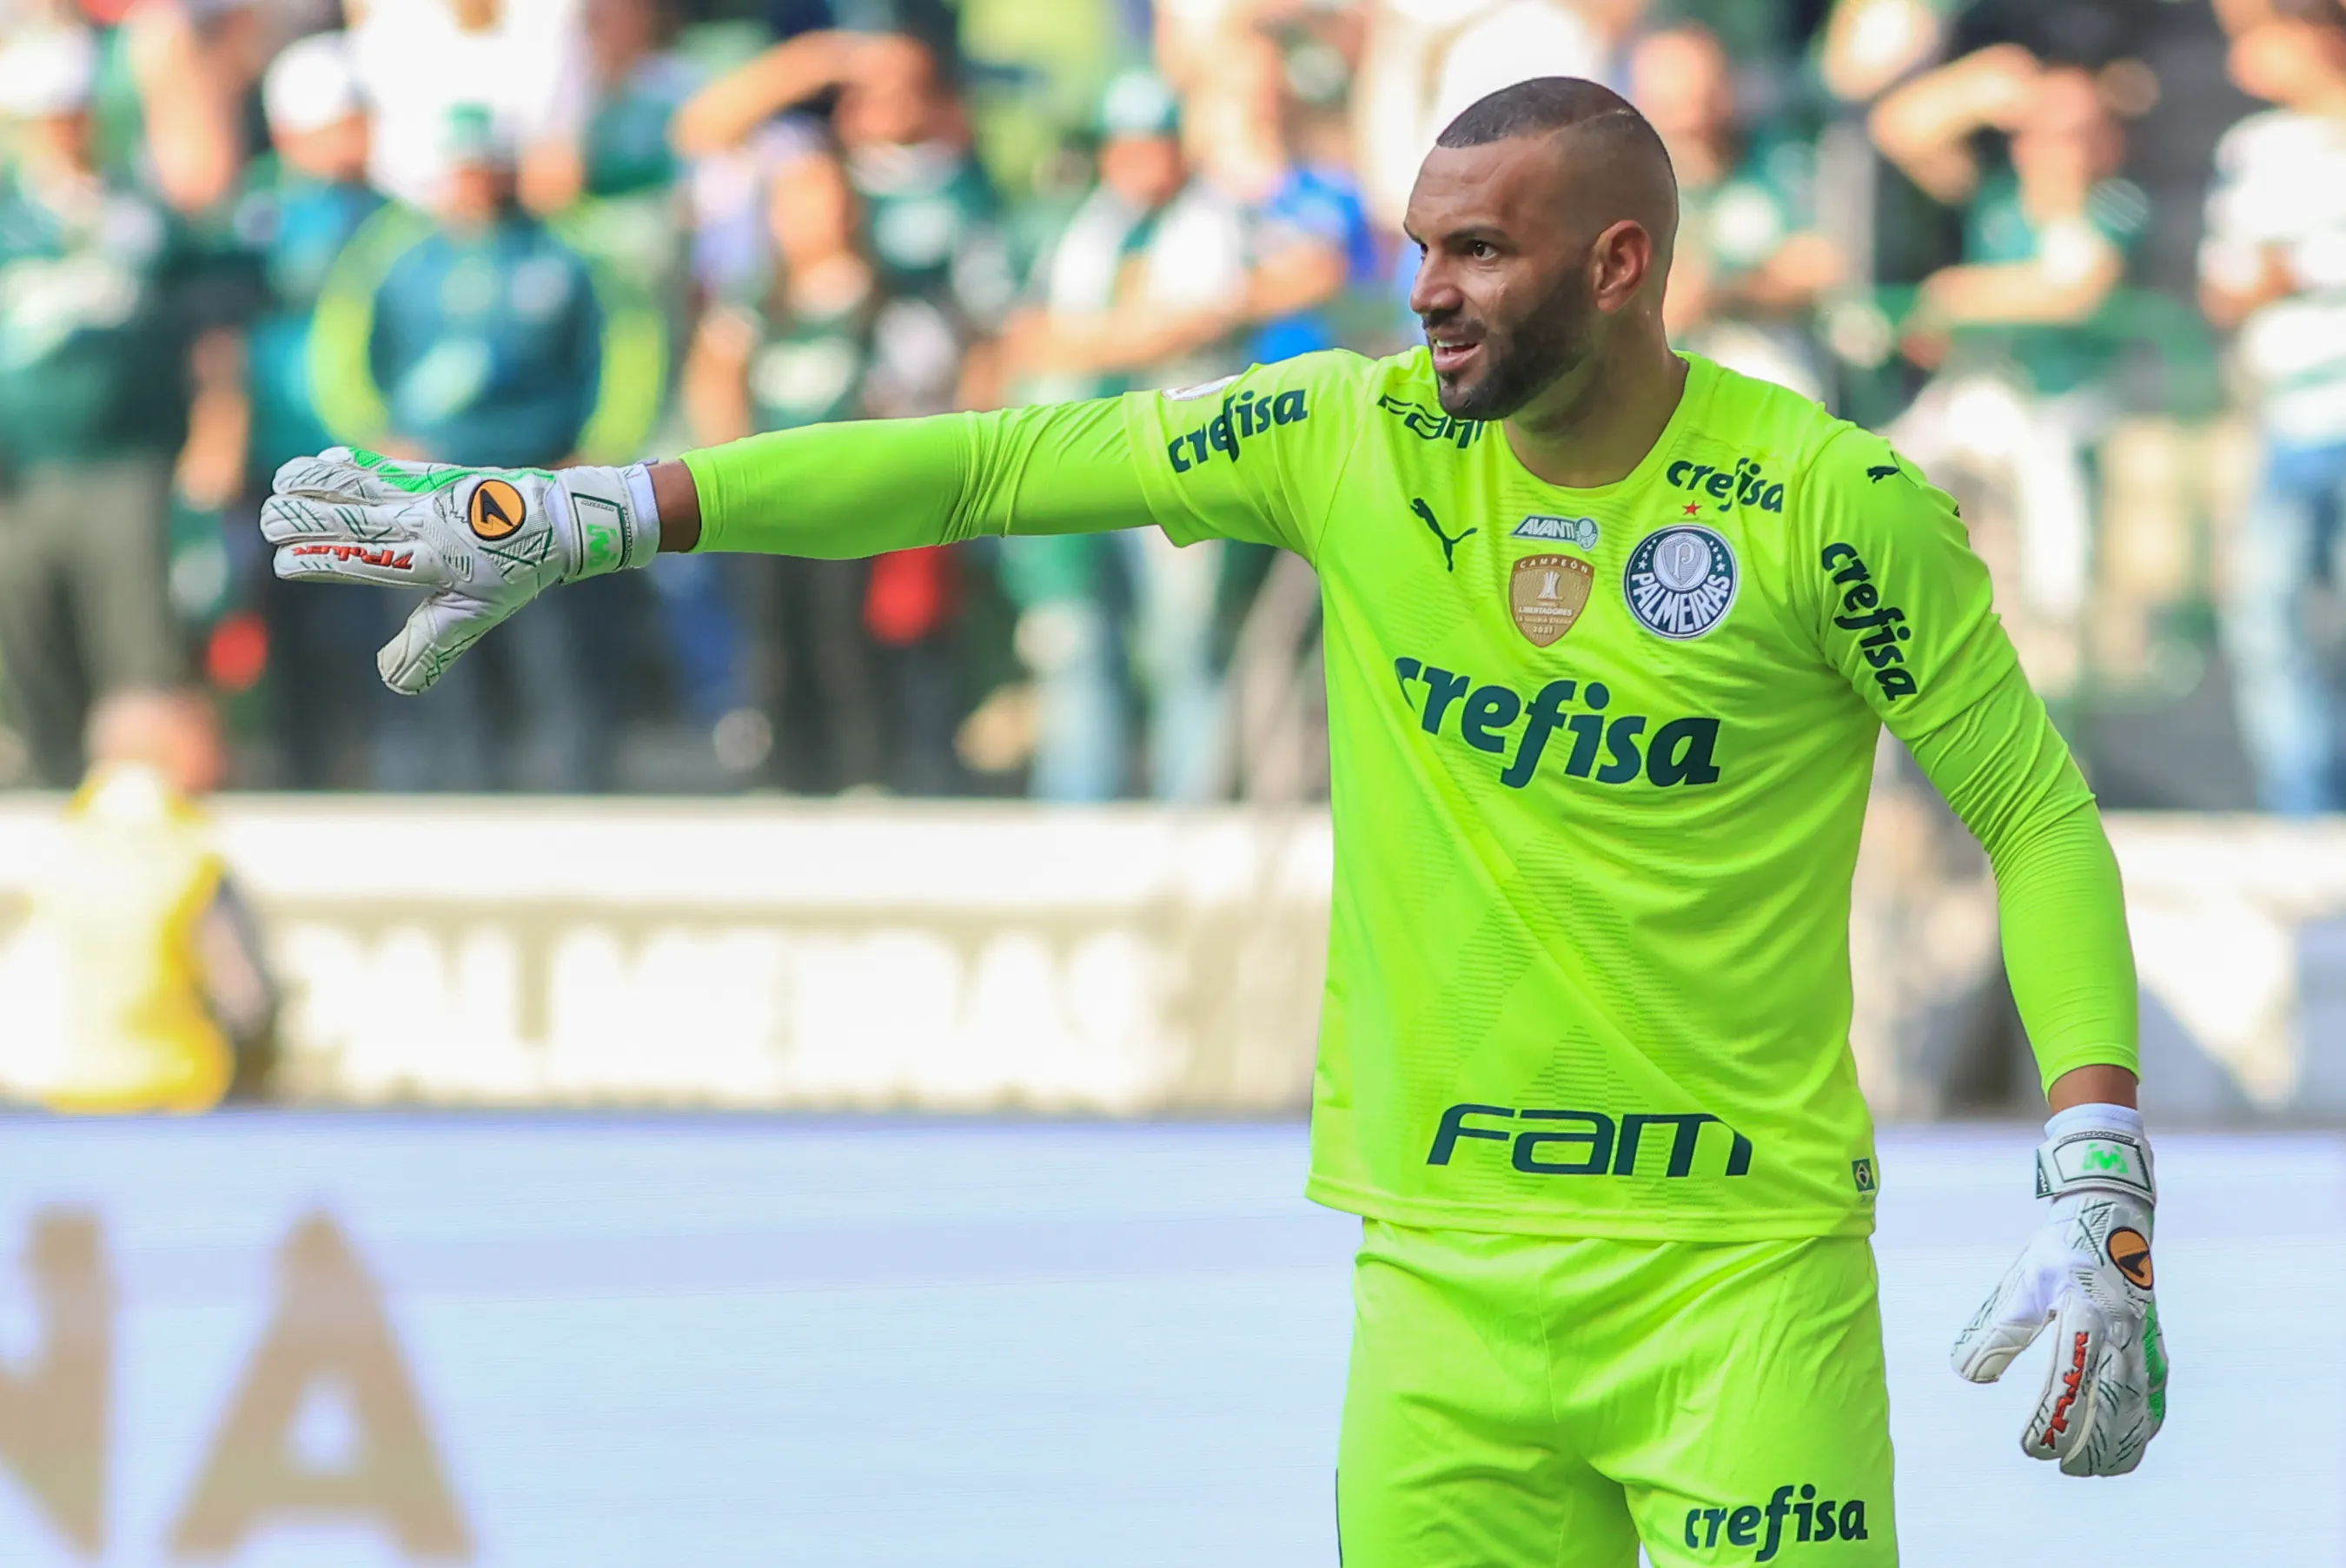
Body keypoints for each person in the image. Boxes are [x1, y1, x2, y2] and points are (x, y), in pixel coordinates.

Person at [263, 76, 2165, 1562]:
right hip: (1438, 1282)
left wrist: (2100, 1180)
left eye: (1483, 251)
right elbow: (999, 459)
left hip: (1739, 1275)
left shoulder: (1833, 502)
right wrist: (600, 509)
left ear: (1621, 263)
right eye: (1424, 246)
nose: (1427, 288)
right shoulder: (1350, 437)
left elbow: (2039, 813)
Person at [308, 102, 661, 791]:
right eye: (462, 167)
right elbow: (341, 351)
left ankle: (574, 787)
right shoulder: (397, 253)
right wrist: (375, 439)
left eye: (486, 166)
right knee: (432, 641)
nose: (474, 181)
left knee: (552, 644)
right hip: (431, 485)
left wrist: (599, 450)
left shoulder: (563, 250)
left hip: (538, 478)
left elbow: (624, 346)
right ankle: (442, 787)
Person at [997, 68, 1249, 801]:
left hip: (1180, 457)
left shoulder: (1219, 220)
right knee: (1072, 642)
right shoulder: (1078, 226)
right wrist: (1124, 335)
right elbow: (1026, 335)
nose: (1139, 162)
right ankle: (1078, 815)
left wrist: (1093, 339)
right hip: (1079, 451)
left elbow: (1188, 321)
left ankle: (1191, 815)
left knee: (1183, 645)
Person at [681, 139, 964, 791]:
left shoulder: (886, 301)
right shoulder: (760, 299)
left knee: (853, 643)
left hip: (856, 499)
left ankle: (867, 770)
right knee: (776, 640)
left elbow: (921, 391)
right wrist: (732, 471)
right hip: (771, 499)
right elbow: (714, 376)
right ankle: (789, 772)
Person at [1869, 48, 2150, 699]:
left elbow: (2074, 289)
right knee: (1881, 485)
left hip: (2059, 416)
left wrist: (1955, 296)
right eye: (2041, 130)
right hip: (1972, 407)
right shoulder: (1996, 196)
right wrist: (1979, 85)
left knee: (2056, 590)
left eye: (2074, 132)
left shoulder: (2114, 205)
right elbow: (1899, 129)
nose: (2055, 148)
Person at [0, 23, 219, 787]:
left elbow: (203, 322)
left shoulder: (139, 210)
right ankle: (49, 784)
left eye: (75, 108)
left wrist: (212, 433)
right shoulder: (6, 214)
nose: (64, 126)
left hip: (129, 456)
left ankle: (139, 799)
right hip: (20, 468)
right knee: (27, 634)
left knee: (138, 644)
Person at [2200, 3, 2346, 814]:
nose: (2241, 63)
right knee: (2266, 617)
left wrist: (2292, 269)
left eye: (2256, 35)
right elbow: (2226, 285)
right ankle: (2308, 811)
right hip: (2290, 421)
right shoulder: (2253, 151)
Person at [8, 687, 277, 1113]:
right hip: (176, 1099)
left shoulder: (54, 846)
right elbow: (247, 1002)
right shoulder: (191, 851)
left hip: (59, 1098)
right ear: (168, 749)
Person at [238, 30, 388, 788]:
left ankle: (370, 763)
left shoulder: (390, 212)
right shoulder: (254, 210)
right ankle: (303, 765)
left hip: (364, 455)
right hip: (275, 447)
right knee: (291, 618)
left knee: (367, 619)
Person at [1629, 22, 1840, 401]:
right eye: (1670, 106)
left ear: (1724, 90)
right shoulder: (1617, 187)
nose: (1689, 121)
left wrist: (1717, 292)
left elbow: (1820, 265)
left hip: (1773, 374)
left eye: (1700, 99)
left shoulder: (1778, 160)